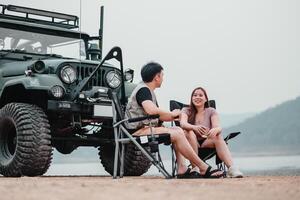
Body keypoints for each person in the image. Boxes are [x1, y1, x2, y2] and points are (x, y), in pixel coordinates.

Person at [125, 62, 224, 178]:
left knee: (178, 129)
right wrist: (172, 113)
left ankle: (182, 168)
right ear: (157, 77)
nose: (163, 78)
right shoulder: (143, 90)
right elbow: (151, 110)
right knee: (177, 133)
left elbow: (159, 115)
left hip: (144, 128)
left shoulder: (147, 90)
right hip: (136, 132)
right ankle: (203, 167)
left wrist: (175, 115)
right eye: (162, 75)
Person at [179, 87, 244, 178]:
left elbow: (218, 126)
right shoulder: (186, 110)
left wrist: (215, 130)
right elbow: (182, 124)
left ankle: (232, 169)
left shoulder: (211, 111)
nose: (197, 97)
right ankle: (195, 168)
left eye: (201, 95)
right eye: (195, 95)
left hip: (206, 142)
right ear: (191, 98)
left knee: (218, 136)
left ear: (206, 99)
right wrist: (194, 127)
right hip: (191, 143)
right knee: (189, 132)